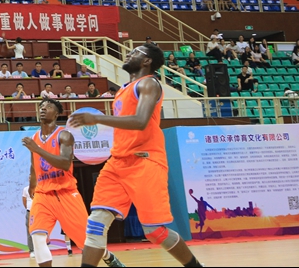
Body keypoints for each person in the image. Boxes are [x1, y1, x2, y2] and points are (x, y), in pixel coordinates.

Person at [69, 44, 204, 268]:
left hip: (145, 160)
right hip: (117, 162)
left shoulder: (149, 83)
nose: (129, 54)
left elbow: (141, 122)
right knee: (95, 223)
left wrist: (98, 119)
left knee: (154, 231)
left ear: (147, 61)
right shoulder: (123, 89)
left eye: (136, 52)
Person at [21, 99, 125, 268]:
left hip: (66, 193)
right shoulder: (35, 138)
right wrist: (32, 184)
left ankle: (107, 256)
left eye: (48, 107)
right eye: (41, 106)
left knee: (87, 242)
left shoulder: (64, 135)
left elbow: (64, 162)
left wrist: (37, 149)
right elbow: (34, 164)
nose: (43, 109)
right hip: (43, 194)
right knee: (37, 237)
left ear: (56, 114)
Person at [21, 177, 34, 260]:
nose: (30, 179)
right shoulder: (26, 189)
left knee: (40, 231)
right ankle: (32, 250)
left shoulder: (39, 188)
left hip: (39, 212)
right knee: (30, 231)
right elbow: (24, 200)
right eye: (29, 178)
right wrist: (28, 208)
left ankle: (41, 249)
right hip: (30, 212)